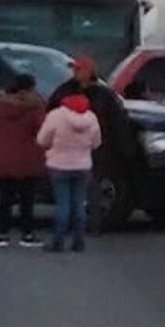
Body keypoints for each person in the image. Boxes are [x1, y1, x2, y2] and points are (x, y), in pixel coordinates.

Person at [46, 56, 131, 234]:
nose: (76, 73)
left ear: (90, 72)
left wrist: (120, 147)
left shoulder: (104, 95)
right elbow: (51, 112)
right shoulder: (65, 91)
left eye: (80, 69)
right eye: (75, 69)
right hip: (69, 147)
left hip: (95, 149)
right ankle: (71, 224)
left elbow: (117, 122)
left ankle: (92, 224)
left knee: (92, 187)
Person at [37, 93, 102, 253]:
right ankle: (79, 242)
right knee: (79, 204)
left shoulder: (56, 116)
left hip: (58, 166)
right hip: (83, 166)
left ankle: (58, 241)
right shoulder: (91, 118)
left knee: (63, 204)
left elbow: (42, 140)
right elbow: (96, 143)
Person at [0, 74, 47, 248]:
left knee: (5, 197)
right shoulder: (35, 108)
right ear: (29, 88)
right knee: (26, 199)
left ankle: (3, 234)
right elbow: (41, 130)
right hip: (27, 157)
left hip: (3, 155)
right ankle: (26, 234)